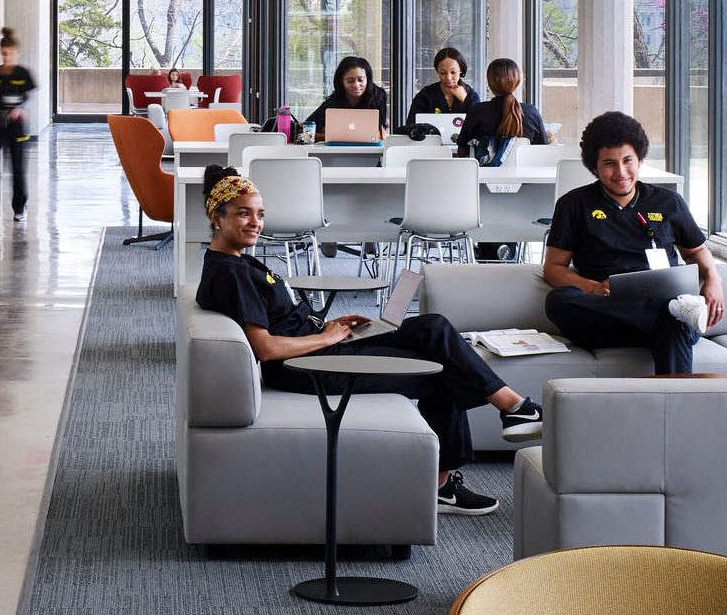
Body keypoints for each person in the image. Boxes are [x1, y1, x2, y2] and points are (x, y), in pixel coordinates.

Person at [193, 166, 540, 516]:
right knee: (442, 372)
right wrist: (326, 337)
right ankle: (464, 462)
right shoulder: (230, 273)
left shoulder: (238, 262)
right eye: (244, 213)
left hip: (322, 347)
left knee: (431, 328)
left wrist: (331, 327)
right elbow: (266, 348)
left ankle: (512, 411)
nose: (255, 222)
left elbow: (281, 323)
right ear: (216, 218)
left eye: (260, 214)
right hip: (309, 368)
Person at [537, 111, 723, 414]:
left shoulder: (668, 202)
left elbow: (696, 252)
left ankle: (677, 416)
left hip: (665, 318)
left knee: (672, 319)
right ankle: (674, 312)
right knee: (558, 301)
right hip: (606, 315)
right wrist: (591, 287)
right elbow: (553, 269)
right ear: (595, 167)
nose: (621, 172)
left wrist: (713, 279)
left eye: (628, 161)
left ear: (639, 159)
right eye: (609, 164)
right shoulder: (574, 204)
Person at [0, 28, 37, 224]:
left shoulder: (23, 74)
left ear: (15, 52)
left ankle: (20, 207)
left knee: (18, 169)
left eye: (9, 53)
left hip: (16, 127)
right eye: (3, 53)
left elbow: (27, 97)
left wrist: (20, 108)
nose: (6, 57)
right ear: (0, 52)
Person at [455, 57, 547, 164]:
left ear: (489, 82)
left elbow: (462, 152)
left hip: (484, 174)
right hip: (524, 174)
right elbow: (542, 151)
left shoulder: (477, 111)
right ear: (517, 81)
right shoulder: (531, 112)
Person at [297, 56, 389, 141]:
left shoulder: (378, 95)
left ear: (367, 79)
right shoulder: (335, 99)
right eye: (350, 81)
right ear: (341, 81)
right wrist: (339, 135)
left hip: (371, 149)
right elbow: (305, 132)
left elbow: (380, 134)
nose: (356, 85)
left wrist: (332, 134)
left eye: (361, 80)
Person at [402, 47, 475, 138]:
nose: (448, 77)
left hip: (464, 145)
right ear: (437, 71)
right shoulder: (425, 96)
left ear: (461, 70)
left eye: (453, 72)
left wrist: (465, 99)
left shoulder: (471, 95)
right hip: (430, 144)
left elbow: (479, 127)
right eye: (443, 73)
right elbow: (411, 127)